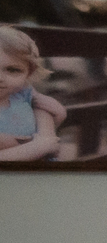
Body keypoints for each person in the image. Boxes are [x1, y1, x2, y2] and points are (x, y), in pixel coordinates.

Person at [0, 25, 70, 162]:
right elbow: (46, 144)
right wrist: (38, 147)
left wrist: (59, 113)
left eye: (13, 70)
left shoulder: (25, 94)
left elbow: (49, 135)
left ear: (28, 73)